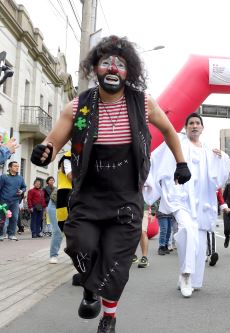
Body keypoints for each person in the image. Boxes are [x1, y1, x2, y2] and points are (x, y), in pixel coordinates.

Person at [29, 35, 190, 332]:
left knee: (117, 259)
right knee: (80, 244)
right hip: (88, 194)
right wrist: (44, 152)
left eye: (120, 65)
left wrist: (181, 163)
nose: (113, 69)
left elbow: (169, 130)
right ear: (96, 69)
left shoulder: (142, 102)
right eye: (106, 63)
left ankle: (109, 316)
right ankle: (90, 287)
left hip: (126, 196)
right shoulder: (79, 106)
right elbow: (53, 142)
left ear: (129, 71)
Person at [144, 112, 230, 298]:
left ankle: (195, 280)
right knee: (188, 231)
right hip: (180, 198)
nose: (194, 126)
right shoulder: (177, 143)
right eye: (190, 123)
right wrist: (148, 179)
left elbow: (218, 178)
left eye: (197, 123)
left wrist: (222, 157)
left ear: (202, 128)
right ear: (185, 127)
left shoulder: (208, 150)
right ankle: (185, 276)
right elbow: (155, 158)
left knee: (198, 241)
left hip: (202, 203)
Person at [49, 152, 72, 264]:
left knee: (73, 230)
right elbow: (70, 176)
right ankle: (53, 255)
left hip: (71, 200)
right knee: (58, 230)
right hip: (56, 203)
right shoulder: (67, 159)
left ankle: (74, 256)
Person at [0, 161, 26, 241]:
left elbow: (24, 187)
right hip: (4, 200)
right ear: (10, 167)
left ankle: (11, 234)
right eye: (15, 166)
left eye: (18, 166)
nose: (17, 167)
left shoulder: (20, 178)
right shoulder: (4, 177)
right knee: (2, 218)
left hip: (15, 201)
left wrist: (22, 191)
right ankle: (0, 235)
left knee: (14, 218)